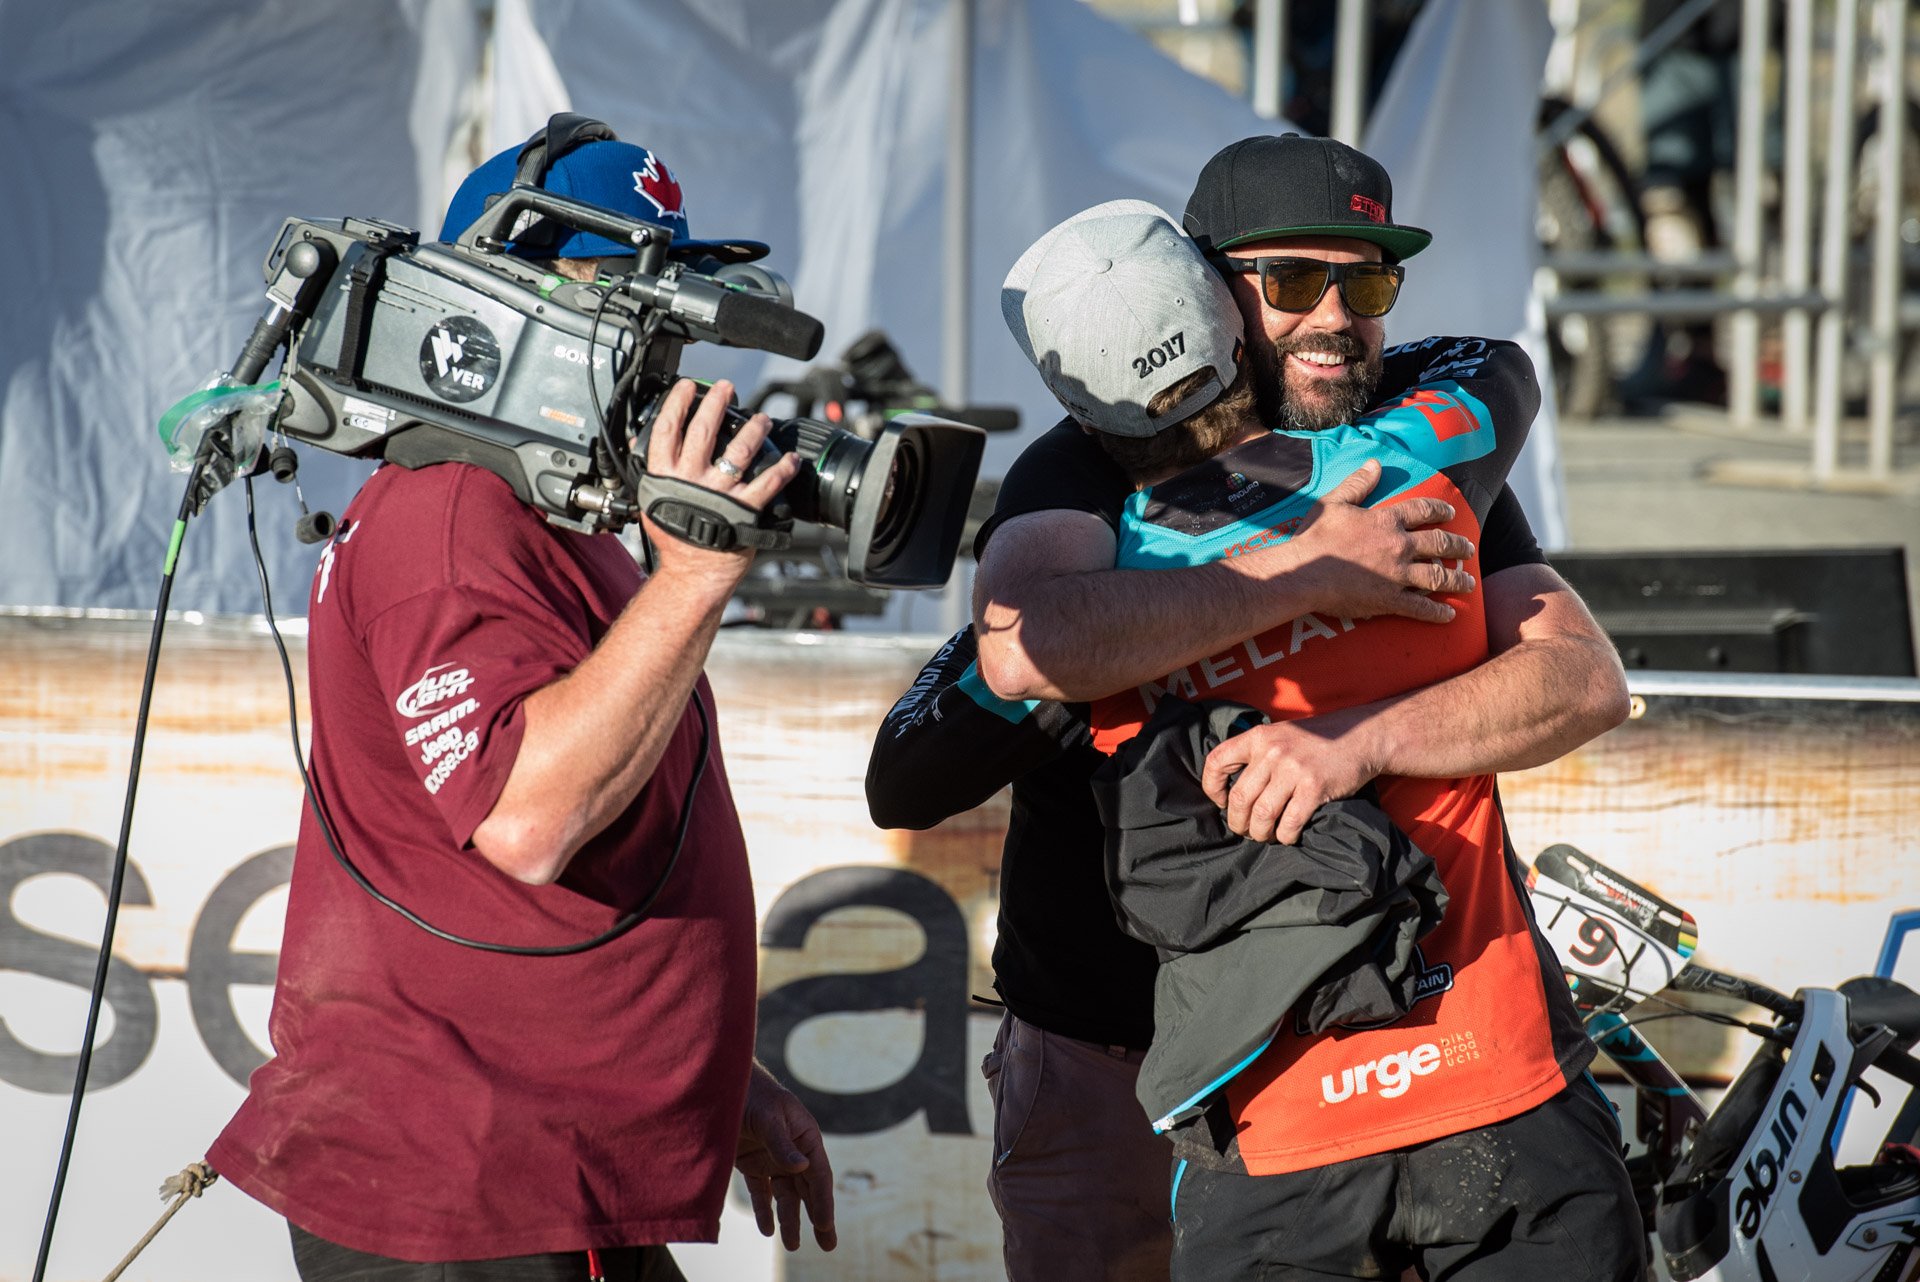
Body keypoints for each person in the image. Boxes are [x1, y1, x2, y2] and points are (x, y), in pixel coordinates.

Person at [870, 134, 1634, 1282]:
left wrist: (1353, 738)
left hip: (1418, 1053)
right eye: (1293, 283)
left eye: (1368, 282)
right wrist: (1305, 571)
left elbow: (1582, 675)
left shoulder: (1413, 452)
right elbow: (949, 733)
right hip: (1105, 1048)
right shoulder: (1085, 477)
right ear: (1208, 292)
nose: (1336, 316)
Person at [207, 124, 835, 1281]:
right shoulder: (455, 512)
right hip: (468, 1178)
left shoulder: (533, 510)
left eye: (671, 314)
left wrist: (718, 1074)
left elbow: (583, 833)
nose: (664, 356)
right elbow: (530, 817)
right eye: (634, 310)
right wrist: (697, 575)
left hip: (535, 1163)